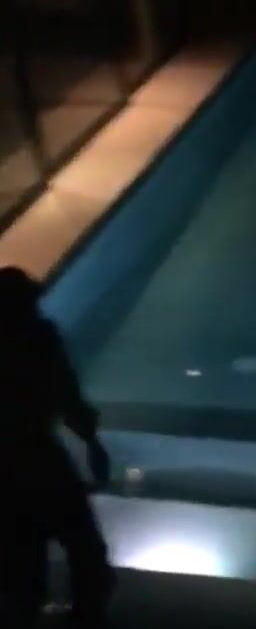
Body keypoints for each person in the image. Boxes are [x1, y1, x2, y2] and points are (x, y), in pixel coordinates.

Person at [0, 266, 116, 626]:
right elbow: (67, 394)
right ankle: (86, 613)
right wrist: (92, 443)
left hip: (13, 460)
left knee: (23, 554)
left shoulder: (36, 338)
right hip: (38, 456)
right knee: (83, 546)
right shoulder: (41, 338)